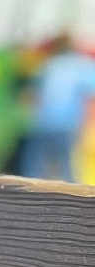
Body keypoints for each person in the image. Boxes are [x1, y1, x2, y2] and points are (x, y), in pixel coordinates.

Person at [18, 34, 95, 182]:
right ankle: (73, 203)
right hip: (67, 123)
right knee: (67, 168)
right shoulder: (83, 65)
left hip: (42, 123)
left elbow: (32, 95)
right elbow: (90, 97)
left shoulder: (48, 65)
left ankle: (25, 201)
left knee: (33, 170)